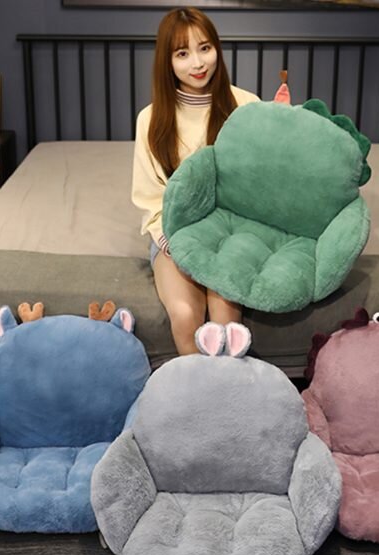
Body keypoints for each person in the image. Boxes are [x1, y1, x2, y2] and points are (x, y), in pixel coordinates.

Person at [132, 7, 259, 355]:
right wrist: (180, 246)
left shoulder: (246, 106)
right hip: (175, 234)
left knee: (225, 320)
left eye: (205, 48)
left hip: (231, 233)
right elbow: (150, 198)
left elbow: (260, 183)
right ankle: (198, 388)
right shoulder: (150, 119)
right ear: (167, 61)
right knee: (186, 315)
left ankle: (228, 388)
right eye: (182, 54)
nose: (198, 63)